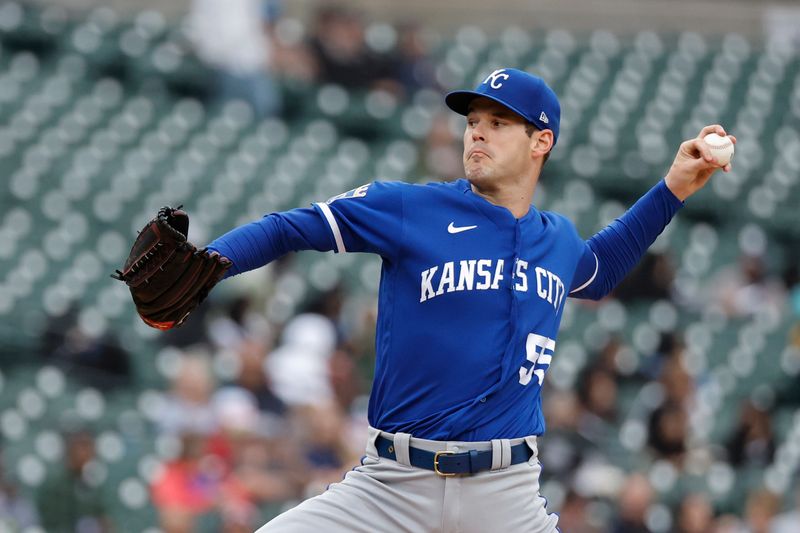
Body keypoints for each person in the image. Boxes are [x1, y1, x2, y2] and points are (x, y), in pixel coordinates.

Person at [196, 67, 735, 531]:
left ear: (540, 141)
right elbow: (290, 228)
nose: (477, 134)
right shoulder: (411, 207)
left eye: (498, 124)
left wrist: (674, 189)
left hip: (505, 494)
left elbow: (600, 269)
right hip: (390, 486)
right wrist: (212, 263)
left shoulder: (557, 239)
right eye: (473, 123)